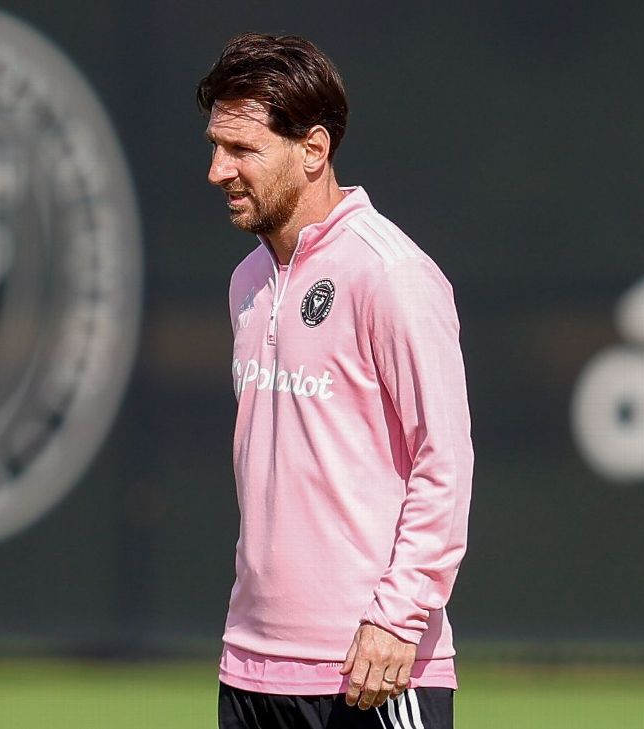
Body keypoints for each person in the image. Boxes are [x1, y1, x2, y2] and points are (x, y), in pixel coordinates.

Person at [198, 32, 474, 729]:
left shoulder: (391, 274)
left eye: (241, 149)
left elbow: (444, 460)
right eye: (215, 146)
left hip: (371, 668)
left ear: (313, 149)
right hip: (251, 666)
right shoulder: (247, 280)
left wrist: (397, 617)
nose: (217, 170)